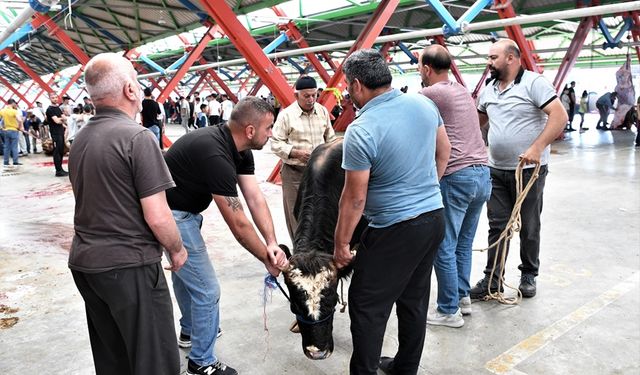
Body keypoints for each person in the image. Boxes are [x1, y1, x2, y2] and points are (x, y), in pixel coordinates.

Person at [67, 52, 188, 375]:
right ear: (130, 90)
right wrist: (177, 249)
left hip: (87, 265)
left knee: (114, 359)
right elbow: (158, 215)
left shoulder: (80, 140)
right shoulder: (137, 138)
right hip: (129, 266)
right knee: (154, 362)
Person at [333, 49, 449, 375]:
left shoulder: (362, 128)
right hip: (433, 219)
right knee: (413, 299)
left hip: (394, 230)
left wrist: (341, 245)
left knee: (367, 304)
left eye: (346, 85)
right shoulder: (424, 104)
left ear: (356, 85)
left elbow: (354, 199)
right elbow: (445, 152)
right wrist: (424, 192)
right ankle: (405, 368)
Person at [163, 96, 289, 375]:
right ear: (250, 130)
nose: (272, 134)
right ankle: (201, 362)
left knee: (187, 279)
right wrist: (265, 258)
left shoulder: (241, 150)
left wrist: (271, 242)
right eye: (269, 128)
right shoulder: (215, 153)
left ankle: (190, 330)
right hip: (172, 216)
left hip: (183, 213)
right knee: (207, 290)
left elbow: (254, 198)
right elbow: (238, 222)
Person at [471, 39, 567, 300]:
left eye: (493, 57)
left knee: (529, 225)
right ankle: (493, 278)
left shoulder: (534, 83)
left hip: (527, 171)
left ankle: (528, 274)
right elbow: (477, 123)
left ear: (511, 59)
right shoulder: (488, 89)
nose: (488, 62)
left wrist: (537, 147)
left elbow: (559, 116)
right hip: (496, 170)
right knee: (497, 225)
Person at [418, 45, 491, 328]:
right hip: (482, 175)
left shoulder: (430, 94)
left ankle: (448, 310)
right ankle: (462, 298)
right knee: (463, 243)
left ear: (426, 69)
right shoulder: (460, 89)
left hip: (457, 175)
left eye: (419, 66)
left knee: (443, 245)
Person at [271, 75, 336, 241]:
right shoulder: (286, 115)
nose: (311, 99)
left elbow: (331, 138)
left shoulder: (322, 112)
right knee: (296, 212)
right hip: (294, 171)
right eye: (306, 96)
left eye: (314, 95)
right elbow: (275, 143)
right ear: (296, 95)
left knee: (321, 208)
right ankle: (300, 249)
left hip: (320, 170)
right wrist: (295, 152)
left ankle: (318, 246)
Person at [46, 93, 69, 177]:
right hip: (55, 133)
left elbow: (64, 118)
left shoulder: (58, 108)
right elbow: (57, 121)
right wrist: (61, 119)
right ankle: (58, 170)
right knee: (57, 152)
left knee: (60, 151)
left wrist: (62, 119)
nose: (55, 99)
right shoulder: (50, 109)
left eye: (56, 97)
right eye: (53, 98)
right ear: (50, 99)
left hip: (60, 132)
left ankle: (60, 169)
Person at [1, 99, 24, 167]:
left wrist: (2, 128)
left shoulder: (2, 111)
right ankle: (15, 161)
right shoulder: (14, 111)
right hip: (14, 130)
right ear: (13, 103)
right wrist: (20, 127)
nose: (16, 105)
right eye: (15, 103)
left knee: (6, 147)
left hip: (6, 130)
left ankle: (6, 162)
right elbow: (20, 120)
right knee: (14, 147)